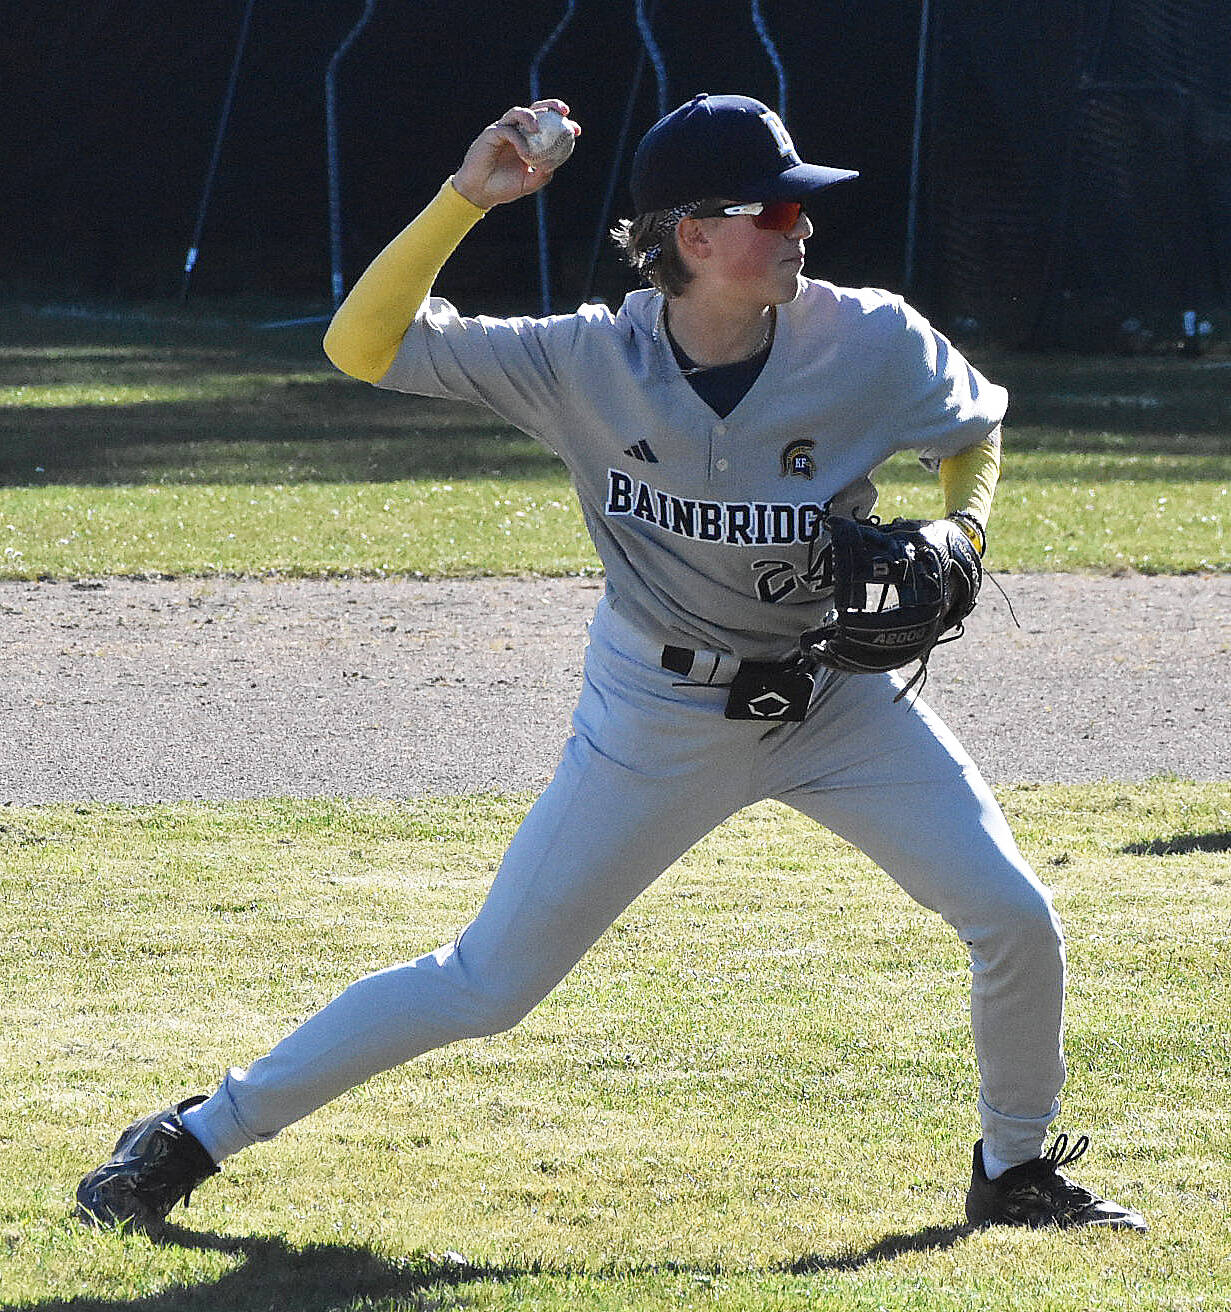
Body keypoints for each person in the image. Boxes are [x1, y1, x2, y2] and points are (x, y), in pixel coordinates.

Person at [76, 93, 1145, 1235]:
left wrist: (962, 532)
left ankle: (1014, 1169)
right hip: (658, 712)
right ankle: (194, 1135)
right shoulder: (582, 359)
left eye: (802, 207)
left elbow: (974, 424)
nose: (802, 226)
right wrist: (464, 200)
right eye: (775, 207)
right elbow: (360, 345)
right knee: (487, 985)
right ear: (692, 235)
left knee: (1014, 916)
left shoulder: (869, 338)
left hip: (837, 703)